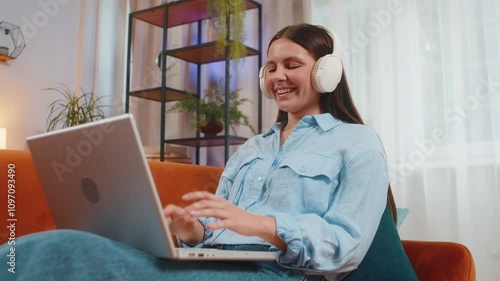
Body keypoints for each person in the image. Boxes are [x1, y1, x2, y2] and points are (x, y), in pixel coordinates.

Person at [0, 23, 396, 281]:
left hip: (276, 274)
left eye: (292, 64)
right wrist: (190, 230)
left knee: (64, 252)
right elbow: (216, 224)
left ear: (326, 72)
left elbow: (346, 247)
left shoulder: (358, 143)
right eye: (271, 68)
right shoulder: (252, 148)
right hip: (211, 262)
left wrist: (257, 224)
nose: (278, 77)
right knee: (62, 243)